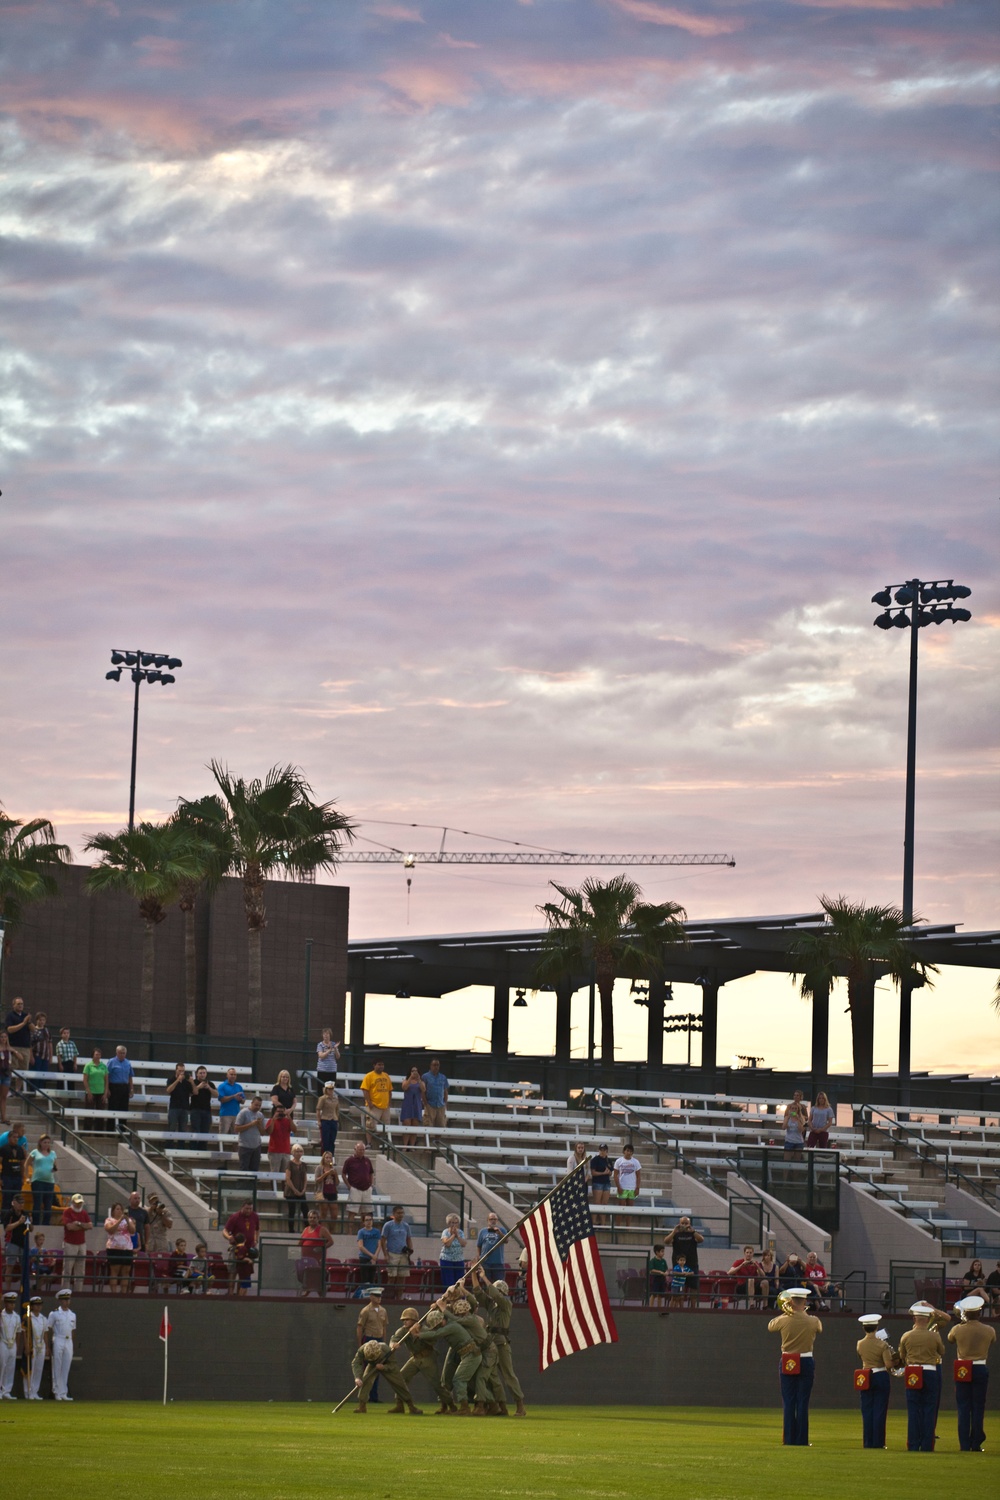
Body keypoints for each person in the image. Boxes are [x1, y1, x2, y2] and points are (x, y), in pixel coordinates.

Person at [768, 1286, 822, 1445]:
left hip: (787, 1360)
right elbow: (820, 1328)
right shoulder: (813, 1320)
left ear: (790, 1301)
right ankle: (802, 1440)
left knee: (789, 1401)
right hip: (806, 1361)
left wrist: (786, 1311)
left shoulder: (783, 1319)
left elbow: (770, 1326)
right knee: (803, 1401)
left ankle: (789, 1439)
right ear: (804, 1301)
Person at [472, 1266, 526, 1415]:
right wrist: (473, 1274)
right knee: (491, 1375)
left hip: (501, 1342)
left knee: (508, 1374)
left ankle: (520, 1404)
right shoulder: (491, 1304)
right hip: (490, 1341)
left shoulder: (506, 1304)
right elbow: (478, 1292)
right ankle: (496, 1405)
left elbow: (495, 1295)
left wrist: (484, 1277)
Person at [897, 1300, 948, 1452]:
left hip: (913, 1371)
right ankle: (927, 1445)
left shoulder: (906, 1335)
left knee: (913, 1409)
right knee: (929, 1408)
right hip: (930, 1371)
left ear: (914, 1319)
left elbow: (902, 1355)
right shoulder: (934, 1336)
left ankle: (913, 1444)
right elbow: (942, 1352)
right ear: (927, 1318)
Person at [948, 1294, 995, 1452]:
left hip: (963, 1368)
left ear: (965, 1313)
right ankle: (976, 1442)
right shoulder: (989, 1330)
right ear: (980, 1312)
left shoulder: (958, 1329)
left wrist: (962, 1322)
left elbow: (950, 1339)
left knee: (963, 1406)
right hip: (980, 1367)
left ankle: (964, 1443)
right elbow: (993, 1340)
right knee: (978, 1406)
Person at [393, 1305, 450, 1412]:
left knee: (436, 1383)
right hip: (414, 1358)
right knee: (400, 1378)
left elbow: (433, 1339)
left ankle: (450, 1405)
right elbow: (394, 1338)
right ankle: (399, 1404)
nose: (404, 1322)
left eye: (407, 1319)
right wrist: (393, 1344)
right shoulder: (403, 1331)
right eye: (403, 1319)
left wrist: (418, 1334)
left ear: (414, 1320)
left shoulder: (424, 1329)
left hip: (427, 1358)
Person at [351, 1336, 422, 1415]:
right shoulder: (362, 1350)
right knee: (365, 1381)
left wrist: (384, 1367)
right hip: (372, 1365)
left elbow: (393, 1364)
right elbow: (356, 1363)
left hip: (387, 1364)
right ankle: (362, 1406)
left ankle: (410, 1406)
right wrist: (357, 1377)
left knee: (399, 1383)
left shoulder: (386, 1350)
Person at [855, 1312, 895, 1449]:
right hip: (880, 1375)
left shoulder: (859, 1343)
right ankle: (878, 1442)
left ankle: (868, 1441)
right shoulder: (882, 1345)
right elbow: (888, 1365)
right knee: (879, 1410)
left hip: (865, 1375)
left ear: (864, 1328)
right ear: (876, 1327)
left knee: (867, 1410)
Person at [664, 1215, 703, 1306]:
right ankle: (677, 1309)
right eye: (682, 1223)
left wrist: (693, 1231)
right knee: (678, 1289)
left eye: (686, 1223)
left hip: (692, 1264)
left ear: (689, 1224)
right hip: (679, 1266)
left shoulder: (693, 1234)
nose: (684, 1225)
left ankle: (693, 1310)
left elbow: (701, 1239)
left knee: (693, 1288)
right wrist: (674, 1231)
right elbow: (666, 1241)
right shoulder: (676, 1234)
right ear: (679, 1224)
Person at [297, 1208, 332, 1297]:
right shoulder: (305, 1229)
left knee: (317, 1279)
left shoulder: (322, 1230)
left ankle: (321, 1297)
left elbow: (331, 1241)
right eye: (310, 1217)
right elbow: (300, 1243)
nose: (312, 1219)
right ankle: (307, 1292)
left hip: (317, 1260)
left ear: (318, 1219)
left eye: (314, 1218)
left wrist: (322, 1248)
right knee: (306, 1277)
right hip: (306, 1260)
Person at [48, 1287, 76, 1400]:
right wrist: (50, 1343)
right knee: (57, 1366)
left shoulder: (72, 1314)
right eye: (65, 1300)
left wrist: (71, 1343)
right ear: (60, 1301)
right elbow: (48, 1328)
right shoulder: (54, 1313)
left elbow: (73, 1330)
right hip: (58, 1338)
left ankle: (63, 1392)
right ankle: (56, 1391)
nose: (67, 1302)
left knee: (66, 1367)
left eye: (68, 1299)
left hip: (68, 1341)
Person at [380, 1205, 413, 1296]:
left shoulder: (406, 1226)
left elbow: (408, 1239)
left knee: (402, 1278)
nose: (400, 1215)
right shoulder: (388, 1225)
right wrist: (385, 1254)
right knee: (391, 1277)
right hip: (392, 1254)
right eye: (398, 1213)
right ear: (394, 1214)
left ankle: (399, 1298)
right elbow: (383, 1240)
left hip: (403, 1254)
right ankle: (389, 1297)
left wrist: (410, 1250)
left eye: (402, 1213)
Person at [103, 1202, 135, 1293]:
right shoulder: (109, 1220)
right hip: (114, 1249)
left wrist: (127, 1220)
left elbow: (133, 1231)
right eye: (117, 1209)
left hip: (127, 1249)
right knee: (114, 1271)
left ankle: (124, 1292)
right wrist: (120, 1220)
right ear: (113, 1211)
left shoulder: (129, 1220)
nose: (119, 1211)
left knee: (126, 1271)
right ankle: (114, 1292)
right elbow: (110, 1230)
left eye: (121, 1209)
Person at [61, 1193, 92, 1288]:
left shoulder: (84, 1213)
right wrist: (83, 1227)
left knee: (80, 1270)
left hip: (81, 1243)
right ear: (73, 1202)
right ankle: (65, 1291)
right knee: (67, 1269)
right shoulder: (67, 1212)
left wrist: (78, 1224)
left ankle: (79, 1291)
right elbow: (70, 1227)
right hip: (70, 1243)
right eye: (77, 1203)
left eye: (80, 1203)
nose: (78, 1205)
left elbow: (90, 1226)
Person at [342, 1141, 375, 1224]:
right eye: (359, 1149)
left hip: (367, 1189)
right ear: (355, 1149)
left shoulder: (367, 1160)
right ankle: (349, 1232)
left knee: (366, 1212)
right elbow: (343, 1174)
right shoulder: (349, 1160)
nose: (361, 1151)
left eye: (363, 1150)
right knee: (352, 1211)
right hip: (355, 1188)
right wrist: (349, 1186)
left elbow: (371, 1173)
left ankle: (364, 1230)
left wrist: (371, 1184)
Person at [360, 1060, 392, 1143]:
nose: (381, 1066)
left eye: (382, 1064)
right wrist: (369, 1103)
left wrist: (389, 1102)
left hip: (385, 1106)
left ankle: (384, 1143)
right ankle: (369, 1143)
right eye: (379, 1064)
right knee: (370, 1125)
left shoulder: (386, 1076)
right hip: (374, 1105)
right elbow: (365, 1090)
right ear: (374, 1065)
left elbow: (389, 1090)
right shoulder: (369, 1076)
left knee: (386, 1126)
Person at [23, 1294, 48, 1400]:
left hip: (40, 1346)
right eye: (36, 1305)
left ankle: (34, 1391)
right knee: (30, 1369)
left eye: (39, 1305)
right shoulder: (28, 1318)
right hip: (32, 1345)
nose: (38, 1307)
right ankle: (28, 1391)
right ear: (31, 1306)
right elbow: (24, 1333)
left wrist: (47, 1347)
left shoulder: (43, 1318)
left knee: (38, 1369)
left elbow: (46, 1333)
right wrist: (26, 1347)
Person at [2, 1195, 29, 1290]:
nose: (21, 1205)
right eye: (19, 1203)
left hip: (23, 1243)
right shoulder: (9, 1213)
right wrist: (19, 1222)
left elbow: (30, 1229)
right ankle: (8, 1289)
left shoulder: (25, 1214)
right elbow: (6, 1228)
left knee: (24, 1268)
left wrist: (31, 1223)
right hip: (12, 1242)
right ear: (14, 1203)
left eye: (22, 1203)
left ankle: (23, 1288)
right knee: (10, 1266)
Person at [0, 1290, 21, 1399]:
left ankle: (7, 1391)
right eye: (10, 1302)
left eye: (13, 1303)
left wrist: (16, 1345)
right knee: (1, 1366)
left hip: (12, 1344)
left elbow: (18, 1332)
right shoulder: (1, 1315)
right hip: (3, 1342)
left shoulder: (17, 1317)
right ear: (5, 1303)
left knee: (10, 1367)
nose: (12, 1305)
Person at [234, 1096, 264, 1172]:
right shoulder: (243, 1112)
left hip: (256, 1146)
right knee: (244, 1169)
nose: (257, 1107)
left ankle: (252, 1184)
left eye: (259, 1105)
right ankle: (243, 1184)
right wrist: (251, 1124)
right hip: (244, 1146)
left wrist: (259, 1125)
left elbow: (263, 1133)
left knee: (255, 1170)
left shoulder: (260, 1115)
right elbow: (236, 1128)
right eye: (256, 1105)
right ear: (251, 1103)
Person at [284, 1144, 309, 1233]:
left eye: (300, 1151)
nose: (298, 1153)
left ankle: (308, 1229)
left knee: (305, 1210)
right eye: (297, 1151)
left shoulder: (304, 1165)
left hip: (301, 1190)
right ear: (293, 1153)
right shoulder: (289, 1163)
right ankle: (291, 1230)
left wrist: (303, 1189)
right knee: (292, 1210)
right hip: (291, 1191)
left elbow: (305, 1178)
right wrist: (295, 1190)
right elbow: (288, 1178)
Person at [613, 1144, 641, 1225]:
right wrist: (618, 1187)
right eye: (627, 1150)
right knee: (621, 1208)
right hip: (622, 1187)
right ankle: (618, 1226)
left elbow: (638, 1176)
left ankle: (628, 1226)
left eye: (631, 1151)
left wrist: (637, 1188)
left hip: (632, 1188)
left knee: (630, 1209)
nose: (629, 1153)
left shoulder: (636, 1162)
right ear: (624, 1151)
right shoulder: (619, 1161)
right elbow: (615, 1175)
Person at [165, 1063, 193, 1143]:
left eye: (183, 1071)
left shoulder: (186, 1081)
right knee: (172, 1128)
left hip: (184, 1107)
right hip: (174, 1107)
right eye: (180, 1070)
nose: (181, 1072)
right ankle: (169, 1146)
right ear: (176, 1070)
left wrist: (191, 1082)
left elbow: (192, 1092)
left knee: (183, 1129)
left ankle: (181, 1147)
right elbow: (168, 1090)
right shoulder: (171, 1079)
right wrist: (177, 1080)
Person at [4, 999, 32, 1076]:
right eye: (18, 1004)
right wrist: (23, 1023)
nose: (20, 1005)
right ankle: (8, 1087)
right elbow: (9, 1030)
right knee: (13, 1068)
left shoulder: (25, 1015)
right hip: (14, 1046)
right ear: (14, 1005)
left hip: (25, 1047)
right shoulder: (10, 1016)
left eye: (22, 1004)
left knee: (23, 1070)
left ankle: (18, 1088)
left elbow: (33, 1029)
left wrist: (28, 1021)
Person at [1, 1129, 26, 1215]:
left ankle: (15, 1217)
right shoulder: (3, 1148)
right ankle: (4, 1217)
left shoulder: (20, 1149)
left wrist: (22, 1177)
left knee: (17, 1198)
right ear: (9, 1138)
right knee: (7, 1198)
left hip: (17, 1177)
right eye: (13, 1137)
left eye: (17, 1137)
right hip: (7, 1176)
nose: (16, 1139)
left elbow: (22, 1164)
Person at [399, 1067, 426, 1148]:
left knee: (414, 1126)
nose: (414, 1072)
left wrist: (419, 1079)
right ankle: (405, 1146)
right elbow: (404, 1087)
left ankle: (412, 1146)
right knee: (407, 1124)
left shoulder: (421, 1082)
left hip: (416, 1105)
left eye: (416, 1071)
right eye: (413, 1071)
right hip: (407, 1104)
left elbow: (423, 1089)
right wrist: (410, 1078)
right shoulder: (405, 1081)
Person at [439, 1213, 466, 1289]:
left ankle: (460, 1299)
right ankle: (448, 1298)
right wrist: (453, 1235)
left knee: (459, 1282)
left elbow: (464, 1244)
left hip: (459, 1259)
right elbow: (447, 1243)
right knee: (449, 1282)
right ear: (449, 1223)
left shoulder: (460, 1232)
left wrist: (458, 1236)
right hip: (447, 1259)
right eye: (452, 1223)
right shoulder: (445, 1232)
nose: (454, 1224)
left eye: (456, 1223)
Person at [189, 1066, 216, 1143]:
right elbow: (189, 1094)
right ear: (197, 1074)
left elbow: (217, 1095)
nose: (202, 1075)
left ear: (206, 1074)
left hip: (207, 1110)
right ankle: (194, 1149)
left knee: (205, 1131)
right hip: (195, 1110)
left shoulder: (210, 1083)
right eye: (200, 1073)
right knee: (195, 1130)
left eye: (204, 1073)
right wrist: (198, 1087)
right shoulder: (193, 1082)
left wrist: (209, 1088)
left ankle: (203, 1150)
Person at [421, 1060, 449, 1133]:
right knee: (427, 1126)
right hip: (430, 1104)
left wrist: (445, 1103)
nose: (436, 1067)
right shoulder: (425, 1076)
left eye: (437, 1065)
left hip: (440, 1104)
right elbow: (423, 1091)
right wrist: (425, 1103)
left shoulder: (443, 1077)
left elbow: (445, 1091)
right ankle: (427, 1143)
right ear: (430, 1066)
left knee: (441, 1126)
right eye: (434, 1065)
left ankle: (437, 1142)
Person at [106, 1046, 134, 1117]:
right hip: (114, 1087)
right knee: (113, 1108)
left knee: (124, 1109)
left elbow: (130, 1076)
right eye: (120, 1053)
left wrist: (131, 1089)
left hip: (124, 1087)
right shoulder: (111, 1062)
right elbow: (106, 1076)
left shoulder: (128, 1063)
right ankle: (111, 1127)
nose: (122, 1055)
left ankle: (122, 1127)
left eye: (123, 1053)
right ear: (117, 1053)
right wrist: (107, 1089)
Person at [266, 1105, 295, 1174]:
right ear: (275, 1112)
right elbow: (269, 1131)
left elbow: (294, 1130)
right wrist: (273, 1119)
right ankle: (273, 1185)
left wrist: (290, 1118)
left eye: (282, 1111)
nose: (280, 1113)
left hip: (286, 1151)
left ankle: (283, 1185)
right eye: (278, 1111)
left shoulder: (287, 1121)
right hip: (274, 1151)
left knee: (285, 1174)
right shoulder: (271, 1121)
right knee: (274, 1173)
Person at [476, 1212, 506, 1276]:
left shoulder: (502, 1230)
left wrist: (499, 1233)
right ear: (487, 1220)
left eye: (495, 1219)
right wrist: (479, 1256)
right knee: (485, 1282)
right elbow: (479, 1245)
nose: (493, 1221)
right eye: (491, 1219)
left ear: (497, 1220)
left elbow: (506, 1241)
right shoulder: (482, 1231)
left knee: (498, 1283)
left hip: (498, 1262)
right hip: (485, 1261)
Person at [216, 1068, 245, 1134]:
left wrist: (240, 1099)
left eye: (235, 1074)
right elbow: (222, 1099)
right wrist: (233, 1096)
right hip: (225, 1114)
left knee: (236, 1137)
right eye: (231, 1074)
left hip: (236, 1114)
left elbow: (243, 1101)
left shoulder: (239, 1086)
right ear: (227, 1075)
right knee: (223, 1134)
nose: (233, 1076)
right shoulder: (222, 1086)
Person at [314, 1151, 340, 1224]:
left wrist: (336, 1175)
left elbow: (337, 1183)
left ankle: (331, 1231)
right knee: (323, 1214)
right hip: (323, 1193)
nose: (328, 1159)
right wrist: (326, 1174)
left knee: (334, 1215)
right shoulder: (319, 1168)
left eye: (330, 1158)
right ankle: (321, 1230)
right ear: (323, 1159)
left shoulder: (333, 1169)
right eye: (327, 1157)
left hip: (333, 1193)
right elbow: (317, 1180)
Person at [82, 1050, 109, 1118]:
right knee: (88, 1115)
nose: (98, 1056)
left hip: (101, 1093)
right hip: (91, 1093)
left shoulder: (103, 1066)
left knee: (100, 1115)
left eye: (99, 1055)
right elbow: (85, 1080)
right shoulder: (88, 1065)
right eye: (96, 1054)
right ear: (93, 1055)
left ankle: (99, 1129)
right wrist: (89, 1092)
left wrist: (105, 1093)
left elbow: (106, 1080)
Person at [356, 1212, 382, 1279]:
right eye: (367, 1220)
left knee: (372, 1278)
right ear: (363, 1222)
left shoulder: (377, 1231)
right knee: (365, 1278)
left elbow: (379, 1245)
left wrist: (375, 1256)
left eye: (370, 1220)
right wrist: (371, 1255)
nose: (369, 1222)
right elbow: (361, 1246)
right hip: (364, 1257)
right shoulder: (361, 1232)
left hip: (374, 1258)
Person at [316, 1081, 340, 1156]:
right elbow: (318, 1109)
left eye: (332, 1089)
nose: (331, 1090)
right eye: (329, 1089)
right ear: (326, 1089)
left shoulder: (336, 1099)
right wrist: (319, 1121)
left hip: (333, 1120)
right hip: (325, 1120)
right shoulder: (322, 1098)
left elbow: (337, 1109)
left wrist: (337, 1118)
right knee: (325, 1141)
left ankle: (331, 1157)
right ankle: (325, 1157)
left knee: (332, 1140)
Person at [783, 1094, 806, 1159]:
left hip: (798, 1141)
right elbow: (783, 1127)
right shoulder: (787, 1117)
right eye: (792, 1108)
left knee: (797, 1161)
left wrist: (798, 1119)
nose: (794, 1110)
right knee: (786, 1160)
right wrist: (788, 1118)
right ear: (790, 1109)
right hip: (789, 1141)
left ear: (798, 1110)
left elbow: (801, 1130)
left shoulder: (801, 1118)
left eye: (796, 1109)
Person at [589, 1143, 613, 1208]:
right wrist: (603, 1173)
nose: (602, 1152)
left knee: (605, 1203)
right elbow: (593, 1173)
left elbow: (611, 1172)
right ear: (599, 1151)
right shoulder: (595, 1159)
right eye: (601, 1150)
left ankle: (603, 1218)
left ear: (606, 1151)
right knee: (597, 1202)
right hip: (598, 1182)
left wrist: (608, 1172)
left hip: (606, 1183)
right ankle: (594, 1218)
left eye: (604, 1150)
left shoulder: (608, 1160)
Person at [30, 1014, 53, 1080]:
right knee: (35, 1075)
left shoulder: (47, 1031)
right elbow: (30, 1045)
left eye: (43, 1020)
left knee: (44, 1075)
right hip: (36, 1055)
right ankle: (34, 1089)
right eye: (40, 1020)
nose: (42, 1022)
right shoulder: (33, 1030)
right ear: (37, 1020)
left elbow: (50, 1044)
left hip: (45, 1057)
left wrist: (50, 1057)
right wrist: (31, 1057)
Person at [648, 1243, 668, 1308]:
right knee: (654, 1294)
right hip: (655, 1279)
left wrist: (666, 1272)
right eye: (662, 1251)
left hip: (662, 1279)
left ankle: (659, 1308)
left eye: (663, 1251)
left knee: (660, 1295)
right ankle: (650, 1307)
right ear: (657, 1252)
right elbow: (651, 1270)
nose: (663, 1253)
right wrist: (660, 1272)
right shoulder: (653, 1260)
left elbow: (666, 1269)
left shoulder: (664, 1261)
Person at [0, 1032, 10, 1125]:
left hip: (6, 1074)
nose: (3, 1039)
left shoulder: (9, 1049)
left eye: (5, 1037)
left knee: (3, 1097)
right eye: (2, 1037)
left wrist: (15, 1051)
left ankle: (3, 1117)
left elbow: (21, 1058)